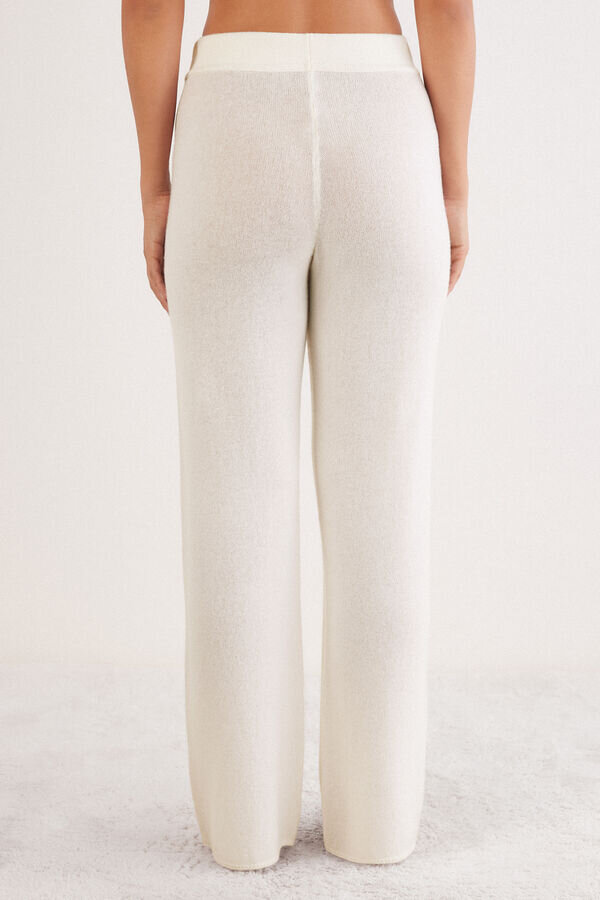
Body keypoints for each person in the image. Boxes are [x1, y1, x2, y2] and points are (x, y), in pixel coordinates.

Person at [122, 0, 475, 872]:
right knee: (385, 501)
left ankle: (243, 829)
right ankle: (378, 824)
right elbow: (447, 7)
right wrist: (453, 182)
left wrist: (155, 182)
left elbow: (151, 5)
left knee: (232, 500)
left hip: (232, 119)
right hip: (383, 120)